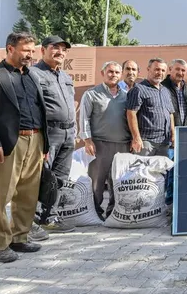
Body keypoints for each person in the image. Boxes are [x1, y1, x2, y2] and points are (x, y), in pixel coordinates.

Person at [0, 32, 46, 263]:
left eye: (32, 50)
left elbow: (40, 109)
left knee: (27, 194)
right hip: (6, 143)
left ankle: (19, 237)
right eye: (26, 50)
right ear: (10, 49)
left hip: (35, 140)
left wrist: (43, 144)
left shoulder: (32, 76)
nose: (30, 55)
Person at [32, 35, 76, 234]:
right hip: (49, 133)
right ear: (43, 50)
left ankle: (49, 217)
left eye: (64, 49)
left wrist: (74, 131)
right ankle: (31, 219)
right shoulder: (34, 74)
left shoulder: (65, 77)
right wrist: (41, 139)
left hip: (68, 133)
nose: (60, 52)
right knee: (41, 177)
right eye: (55, 47)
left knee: (59, 178)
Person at [79, 61, 131, 221]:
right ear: (103, 73)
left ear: (120, 75)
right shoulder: (91, 94)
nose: (113, 75)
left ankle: (113, 212)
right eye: (110, 72)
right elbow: (84, 118)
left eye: (116, 72)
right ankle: (94, 213)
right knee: (97, 181)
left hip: (122, 144)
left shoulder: (126, 95)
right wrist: (88, 140)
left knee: (118, 181)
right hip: (100, 145)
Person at [127, 58, 175, 157]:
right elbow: (131, 113)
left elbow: (170, 114)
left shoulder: (165, 91)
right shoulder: (138, 89)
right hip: (146, 143)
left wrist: (173, 135)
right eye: (157, 69)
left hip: (164, 143)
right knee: (142, 167)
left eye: (163, 70)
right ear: (148, 69)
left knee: (163, 168)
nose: (160, 73)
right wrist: (136, 138)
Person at [162, 59, 187, 128]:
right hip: (168, 131)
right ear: (170, 69)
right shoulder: (163, 87)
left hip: (185, 131)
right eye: (177, 69)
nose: (180, 73)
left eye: (183, 70)